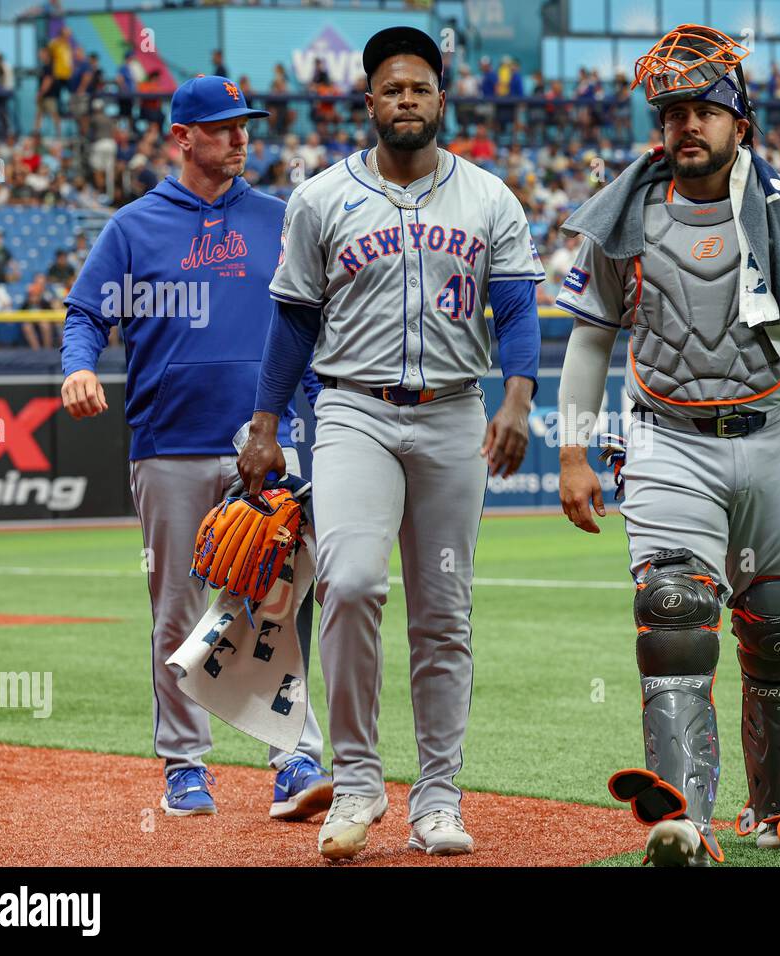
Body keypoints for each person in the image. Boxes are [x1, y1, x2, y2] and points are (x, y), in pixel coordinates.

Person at [555, 24, 780, 867]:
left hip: (773, 435)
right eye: (672, 114)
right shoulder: (618, 216)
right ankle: (684, 822)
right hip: (668, 439)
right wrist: (571, 451)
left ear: (741, 122)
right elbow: (590, 341)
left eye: (704, 110)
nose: (686, 126)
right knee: (673, 614)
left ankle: (779, 806)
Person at [237, 27, 543, 862]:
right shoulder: (319, 197)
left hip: (450, 413)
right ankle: (361, 779)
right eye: (390, 88)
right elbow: (294, 319)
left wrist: (517, 401)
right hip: (353, 412)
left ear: (441, 100)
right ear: (368, 102)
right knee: (352, 579)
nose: (405, 99)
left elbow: (516, 311)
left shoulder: (489, 198)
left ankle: (438, 800)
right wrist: (264, 425)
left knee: (443, 615)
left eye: (419, 87)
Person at [60, 75, 331, 823]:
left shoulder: (282, 217)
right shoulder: (133, 227)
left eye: (245, 125)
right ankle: (184, 764)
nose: (240, 138)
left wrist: (314, 415)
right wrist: (79, 365)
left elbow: (316, 324)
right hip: (169, 441)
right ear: (182, 137)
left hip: (268, 444)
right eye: (222, 127)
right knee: (177, 609)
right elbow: (86, 311)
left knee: (279, 602)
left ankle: (295, 758)